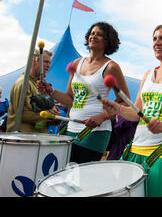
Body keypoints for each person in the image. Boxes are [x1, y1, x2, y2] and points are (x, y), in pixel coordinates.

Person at [102, 24, 162, 197]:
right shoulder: (148, 74)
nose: (157, 42)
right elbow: (136, 113)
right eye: (154, 38)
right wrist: (118, 108)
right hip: (137, 146)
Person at [40, 22, 130, 164]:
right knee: (64, 174)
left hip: (96, 132)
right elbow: (70, 99)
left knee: (80, 176)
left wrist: (103, 116)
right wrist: (50, 91)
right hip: (71, 128)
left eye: (99, 34)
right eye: (92, 33)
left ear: (108, 41)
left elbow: (126, 101)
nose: (94, 36)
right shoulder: (76, 64)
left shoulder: (111, 67)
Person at [6, 49, 60, 132]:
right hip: (22, 141)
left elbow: (39, 116)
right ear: (34, 61)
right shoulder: (23, 83)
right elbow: (22, 114)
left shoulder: (40, 86)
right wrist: (49, 115)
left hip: (36, 140)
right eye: (45, 62)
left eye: (49, 62)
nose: (49, 65)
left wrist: (55, 116)